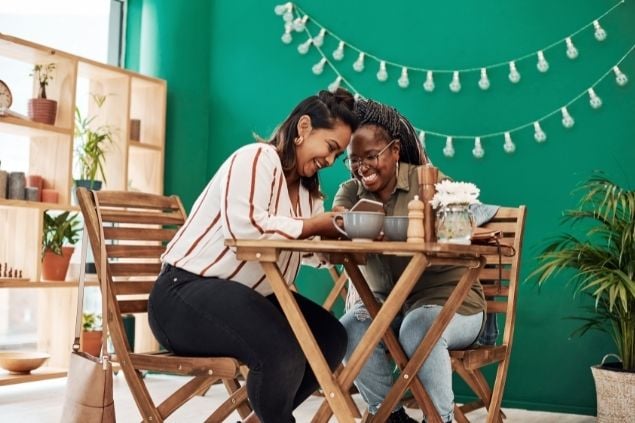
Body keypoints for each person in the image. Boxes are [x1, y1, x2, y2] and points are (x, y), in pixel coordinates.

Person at [148, 89, 358, 423]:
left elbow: (304, 248)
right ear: (303, 128)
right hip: (182, 296)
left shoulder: (307, 192)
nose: (331, 161)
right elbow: (243, 231)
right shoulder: (257, 158)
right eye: (330, 147)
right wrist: (313, 225)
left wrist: (339, 240)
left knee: (330, 338)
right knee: (281, 352)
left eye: (338, 155)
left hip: (245, 299)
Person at [333, 99, 485, 423]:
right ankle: (390, 417)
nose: (363, 167)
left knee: (418, 328)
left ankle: (439, 418)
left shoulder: (428, 182)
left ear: (395, 150)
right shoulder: (351, 192)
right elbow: (337, 225)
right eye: (354, 160)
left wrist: (441, 227)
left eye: (371, 156)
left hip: (452, 304)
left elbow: (464, 226)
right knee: (348, 329)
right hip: (387, 307)